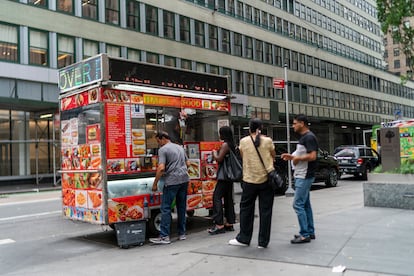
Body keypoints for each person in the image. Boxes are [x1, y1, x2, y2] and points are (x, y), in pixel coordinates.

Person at [228, 118, 276, 248]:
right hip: (266, 179)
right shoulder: (268, 141)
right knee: (265, 211)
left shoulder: (243, 141)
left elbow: (243, 156)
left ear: (249, 128)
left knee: (246, 210)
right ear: (261, 128)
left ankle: (244, 238)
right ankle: (263, 242)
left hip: (249, 180)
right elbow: (273, 155)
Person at [281, 114, 318, 244]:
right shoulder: (305, 137)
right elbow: (304, 154)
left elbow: (313, 156)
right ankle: (309, 231)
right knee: (305, 204)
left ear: (302, 123)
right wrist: (292, 157)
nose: (293, 125)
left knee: (297, 204)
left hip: (304, 175)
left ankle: (304, 234)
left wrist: (297, 159)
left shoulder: (309, 137)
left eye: (295, 123)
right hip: (302, 174)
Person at [149, 131, 190, 244]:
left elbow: (161, 168)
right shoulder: (180, 147)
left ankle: (164, 236)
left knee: (166, 208)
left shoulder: (163, 150)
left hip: (172, 181)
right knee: (181, 207)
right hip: (184, 179)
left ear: (162, 138)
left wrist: (155, 183)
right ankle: (182, 233)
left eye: (158, 141)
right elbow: (188, 163)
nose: (158, 144)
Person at [208, 126, 236, 235]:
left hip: (224, 176)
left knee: (217, 197)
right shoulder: (232, 144)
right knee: (228, 198)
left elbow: (219, 158)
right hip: (229, 176)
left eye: (220, 133)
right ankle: (229, 223)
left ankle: (219, 224)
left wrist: (214, 152)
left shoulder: (225, 144)